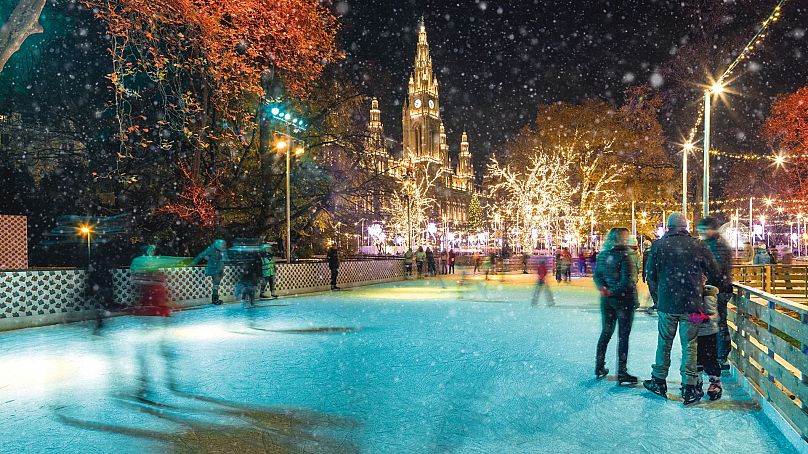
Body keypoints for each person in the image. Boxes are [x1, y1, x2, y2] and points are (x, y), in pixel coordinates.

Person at [643, 212, 719, 405]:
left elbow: (650, 275)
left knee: (664, 343)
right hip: (693, 306)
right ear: (685, 226)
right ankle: (689, 387)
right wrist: (699, 282)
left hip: (667, 304)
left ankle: (659, 380)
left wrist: (658, 299)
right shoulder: (698, 245)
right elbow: (713, 270)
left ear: (669, 227)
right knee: (690, 345)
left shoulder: (658, 246)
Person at [593, 228, 638, 384]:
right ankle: (622, 372)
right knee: (623, 336)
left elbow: (597, 275)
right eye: (625, 237)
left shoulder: (603, 255)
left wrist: (604, 289)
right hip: (623, 301)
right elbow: (627, 281)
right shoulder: (625, 256)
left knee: (606, 332)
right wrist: (613, 291)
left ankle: (599, 366)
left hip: (607, 301)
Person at [697, 218, 734, 371]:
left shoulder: (718, 246)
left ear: (713, 229)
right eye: (700, 230)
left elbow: (716, 269)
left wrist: (702, 275)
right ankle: (709, 356)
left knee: (717, 323)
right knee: (708, 321)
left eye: (704, 229)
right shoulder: (710, 244)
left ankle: (720, 357)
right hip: (713, 289)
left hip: (718, 290)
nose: (701, 232)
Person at [697, 280, 723, 401]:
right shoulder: (692, 293)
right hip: (696, 332)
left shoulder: (708, 295)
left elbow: (712, 316)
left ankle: (715, 381)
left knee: (709, 358)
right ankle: (697, 380)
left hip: (707, 332)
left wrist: (693, 318)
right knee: (695, 359)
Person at [191, 239, 228, 305]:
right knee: (216, 284)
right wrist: (193, 263)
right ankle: (215, 299)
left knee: (217, 284)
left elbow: (225, 258)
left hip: (220, 268)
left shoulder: (222, 251)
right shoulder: (212, 249)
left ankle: (215, 298)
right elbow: (201, 255)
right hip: (214, 269)